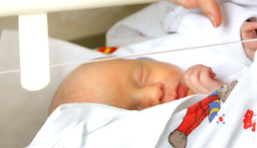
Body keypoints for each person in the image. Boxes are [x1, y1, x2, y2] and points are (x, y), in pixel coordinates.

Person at [48, 58, 235, 114]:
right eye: (136, 110)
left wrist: (241, 36)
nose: (154, 93)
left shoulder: (183, 45)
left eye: (141, 77)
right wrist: (224, 97)